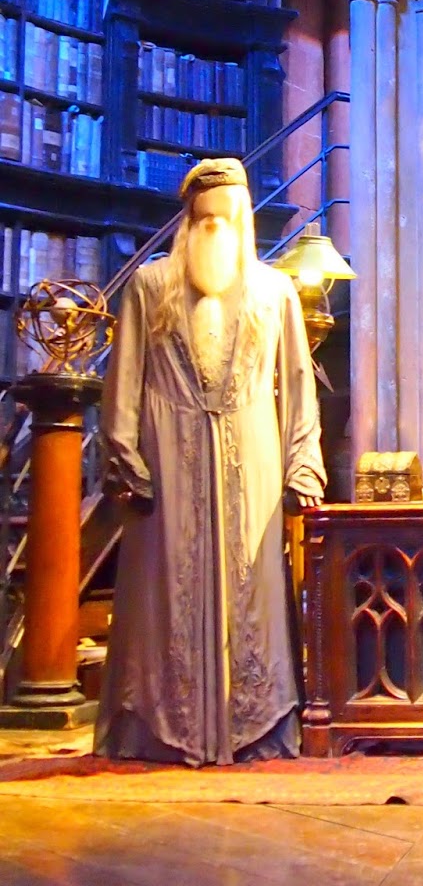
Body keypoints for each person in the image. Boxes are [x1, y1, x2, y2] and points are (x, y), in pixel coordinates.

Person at [95, 157, 325, 765]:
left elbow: (298, 386)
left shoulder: (275, 292)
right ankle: (158, 727)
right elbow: (123, 383)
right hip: (167, 461)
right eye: (204, 217)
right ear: (188, 220)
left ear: (245, 219)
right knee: (164, 593)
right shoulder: (149, 287)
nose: (215, 227)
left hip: (253, 460)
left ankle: (256, 726)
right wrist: (126, 458)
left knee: (254, 594)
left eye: (226, 216)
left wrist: (301, 465)